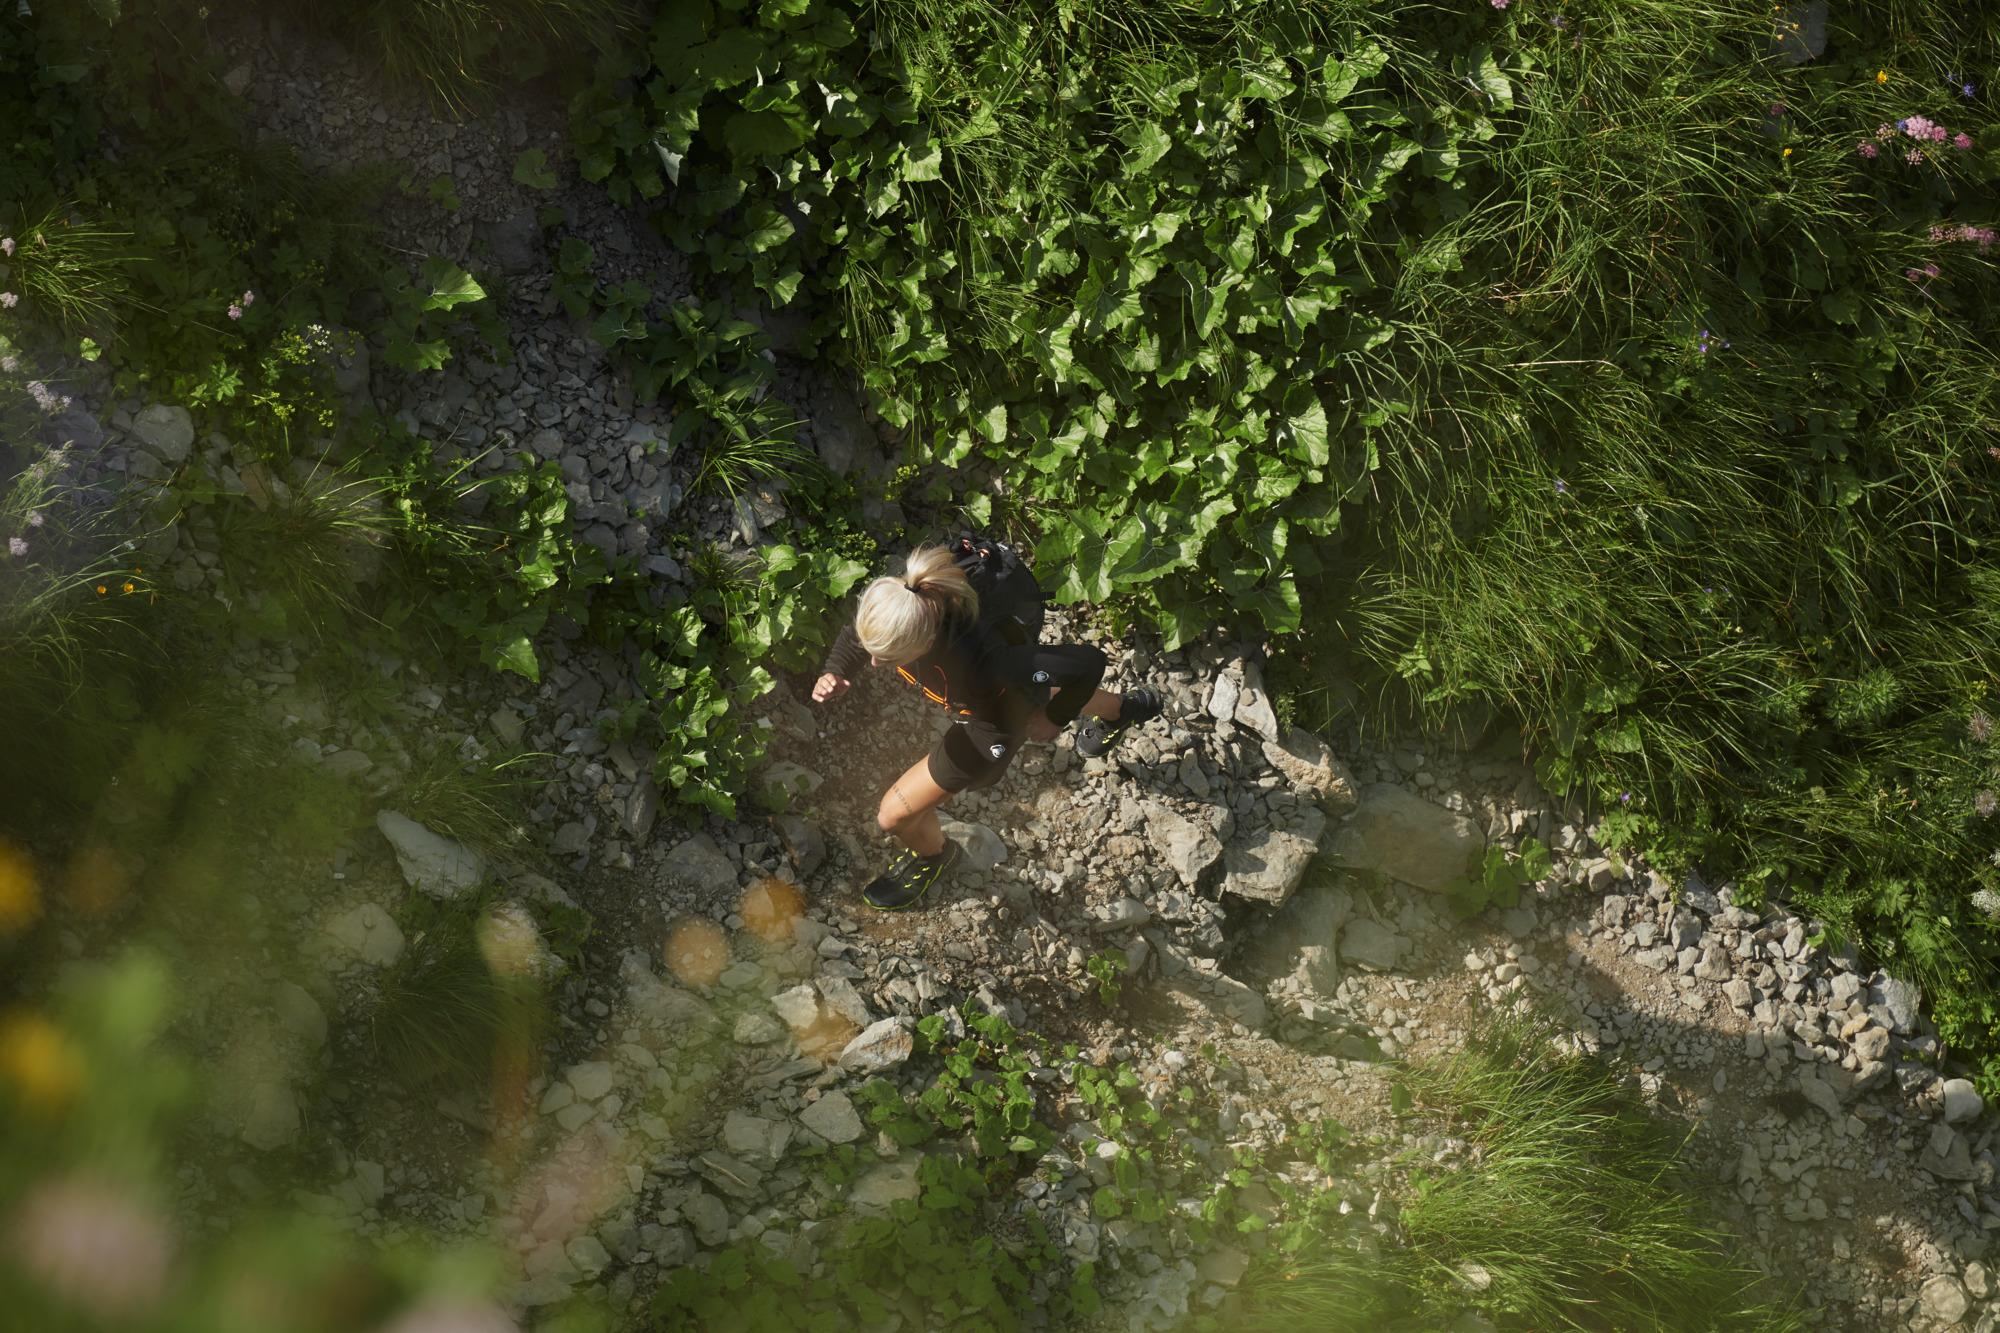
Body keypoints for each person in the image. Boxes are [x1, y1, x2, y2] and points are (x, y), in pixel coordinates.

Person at [812, 539, 1164, 910]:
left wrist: (1054, 718)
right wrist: (837, 669)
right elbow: (858, 637)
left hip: (993, 722)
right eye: (874, 652)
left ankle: (934, 855)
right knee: (1037, 686)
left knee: (893, 816)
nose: (874, 664)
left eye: (887, 658)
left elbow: (1088, 662)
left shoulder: (986, 662)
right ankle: (1123, 711)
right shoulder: (905, 601)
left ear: (926, 641)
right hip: (1001, 688)